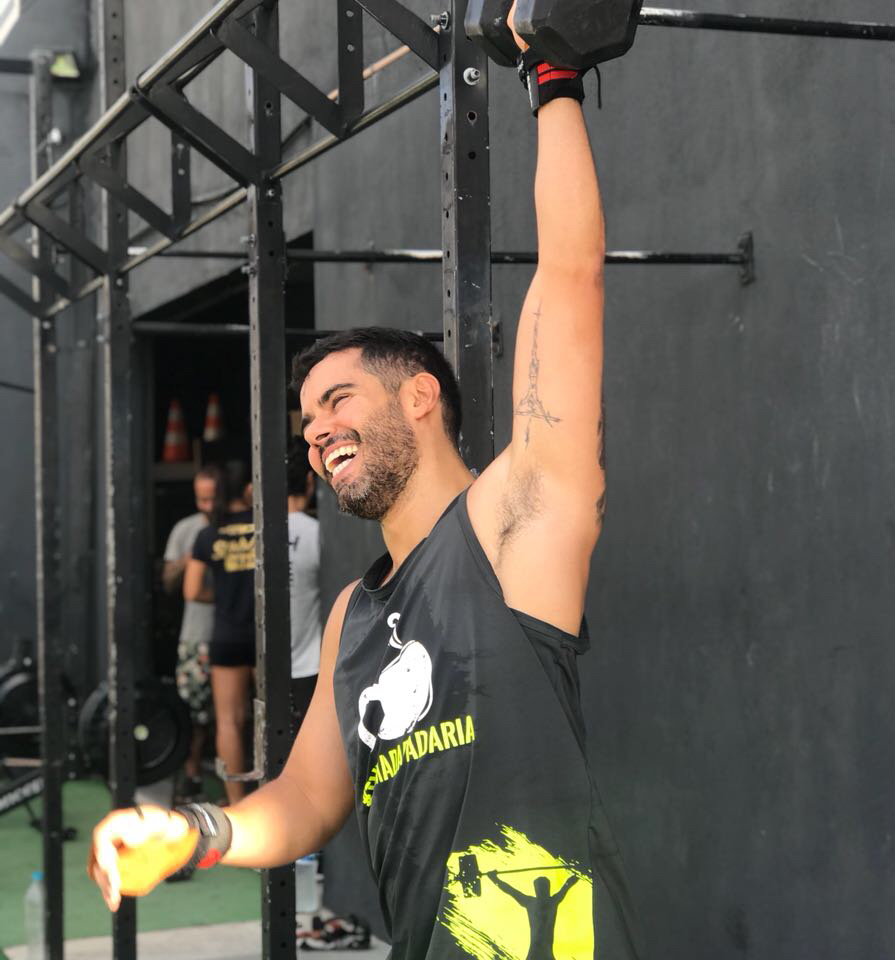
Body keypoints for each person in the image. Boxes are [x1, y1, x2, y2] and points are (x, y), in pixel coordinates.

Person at [90, 7, 640, 957]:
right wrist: (195, 831)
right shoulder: (355, 615)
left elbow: (570, 277)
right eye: (307, 421)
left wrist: (551, 79)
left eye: (338, 400)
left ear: (421, 395)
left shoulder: (513, 524)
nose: (316, 432)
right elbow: (307, 800)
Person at [185, 459, 256, 806]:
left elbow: (191, 590)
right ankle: (280, 796)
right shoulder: (266, 524)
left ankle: (237, 804)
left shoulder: (208, 534)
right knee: (277, 715)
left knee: (229, 722)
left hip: (227, 635)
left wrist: (223, 596)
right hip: (267, 634)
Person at [161, 465, 219, 802]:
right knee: (192, 715)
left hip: (231, 632)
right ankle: (192, 776)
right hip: (195, 635)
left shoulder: (236, 527)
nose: (207, 506)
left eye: (212, 498)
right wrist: (188, 560)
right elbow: (167, 583)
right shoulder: (186, 529)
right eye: (202, 499)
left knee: (232, 714)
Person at [286, 439, 323, 736]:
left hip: (267, 663)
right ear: (311, 481)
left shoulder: (257, 533)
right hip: (312, 663)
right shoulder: (317, 534)